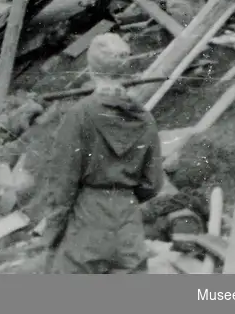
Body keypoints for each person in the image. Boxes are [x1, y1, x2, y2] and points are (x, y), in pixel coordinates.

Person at [40, 32, 164, 274]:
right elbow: (153, 183)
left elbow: (62, 186)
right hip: (128, 222)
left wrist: (52, 233)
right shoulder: (144, 118)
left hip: (87, 221)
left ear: (90, 68)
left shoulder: (79, 115)